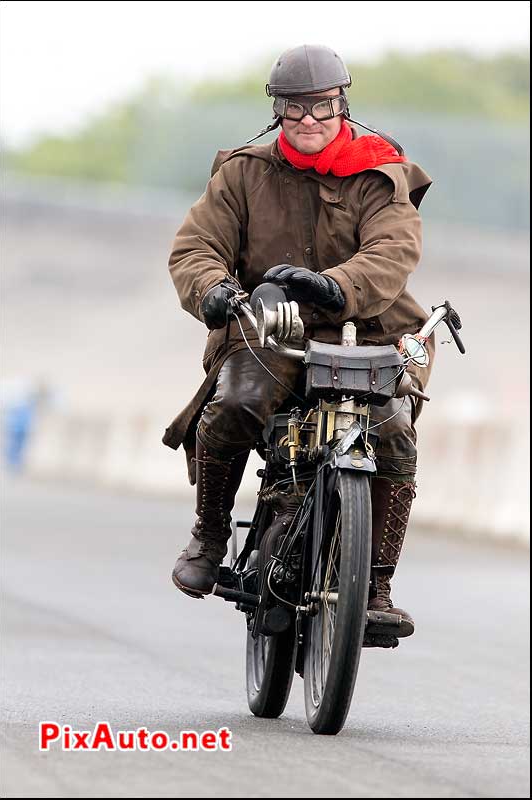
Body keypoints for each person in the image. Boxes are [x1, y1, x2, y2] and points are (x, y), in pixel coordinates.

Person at [163, 44, 434, 636]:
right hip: (267, 328)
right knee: (234, 403)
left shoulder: (381, 172)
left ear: (342, 103)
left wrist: (335, 286)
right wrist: (210, 289)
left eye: (321, 106)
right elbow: (195, 248)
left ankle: (376, 587)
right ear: (277, 110)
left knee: (394, 434)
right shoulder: (242, 173)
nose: (309, 119)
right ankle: (209, 537)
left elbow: (394, 252)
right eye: (295, 107)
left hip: (370, 329)